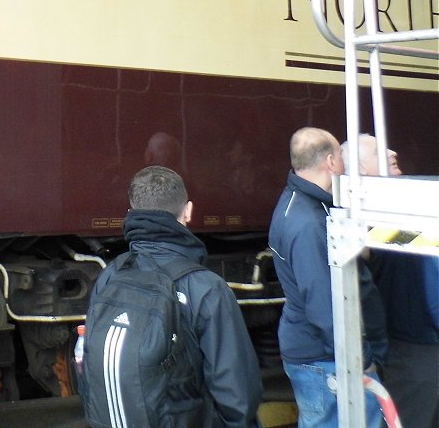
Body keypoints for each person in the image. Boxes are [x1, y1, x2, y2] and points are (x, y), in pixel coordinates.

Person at [86, 165, 262, 427]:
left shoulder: (111, 275)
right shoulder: (206, 287)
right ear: (188, 211)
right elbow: (236, 394)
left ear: (130, 213)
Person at [268, 127, 387, 428]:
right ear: (331, 162)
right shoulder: (308, 221)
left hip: (314, 353)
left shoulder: (300, 204)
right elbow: (323, 303)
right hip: (326, 359)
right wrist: (362, 355)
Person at [341, 133, 438, 428]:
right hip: (415, 347)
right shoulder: (370, 216)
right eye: (379, 151)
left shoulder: (403, 206)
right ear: (361, 170)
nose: (393, 151)